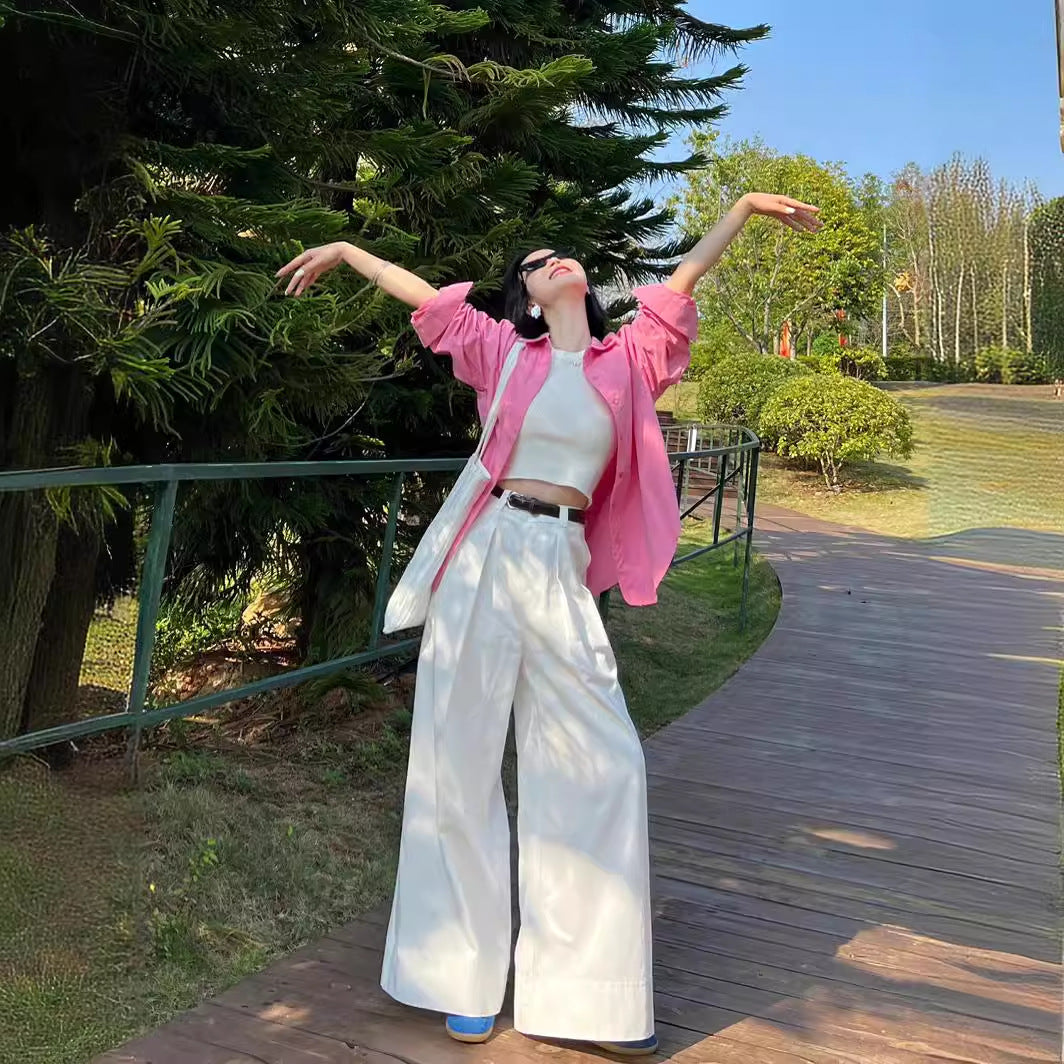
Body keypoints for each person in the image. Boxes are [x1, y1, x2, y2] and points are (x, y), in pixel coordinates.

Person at [276, 192, 821, 1054]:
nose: (551, 261)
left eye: (558, 254)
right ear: (526, 298)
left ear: (584, 284)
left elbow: (682, 279)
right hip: (488, 552)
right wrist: (348, 251)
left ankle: (584, 997)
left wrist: (744, 207)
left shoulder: (628, 359)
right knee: (455, 761)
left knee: (605, 763)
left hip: (561, 565)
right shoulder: (504, 352)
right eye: (532, 264)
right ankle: (458, 974)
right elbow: (426, 300)